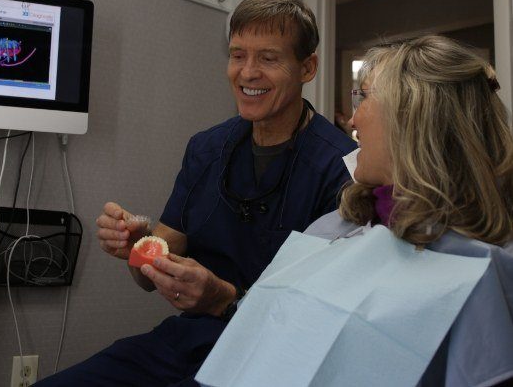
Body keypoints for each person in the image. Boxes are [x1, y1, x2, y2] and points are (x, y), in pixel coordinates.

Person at [35, 0, 355, 386]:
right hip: (189, 340)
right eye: (238, 55)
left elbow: (326, 321)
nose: (248, 72)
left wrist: (224, 299)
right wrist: (139, 248)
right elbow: (149, 273)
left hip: (273, 359)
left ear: (307, 67)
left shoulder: (342, 169)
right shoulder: (207, 149)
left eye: (268, 58)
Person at [196, 35, 513, 387]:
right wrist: (222, 299)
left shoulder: (480, 268)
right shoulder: (337, 224)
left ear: (414, 120)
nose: (352, 120)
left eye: (365, 97)